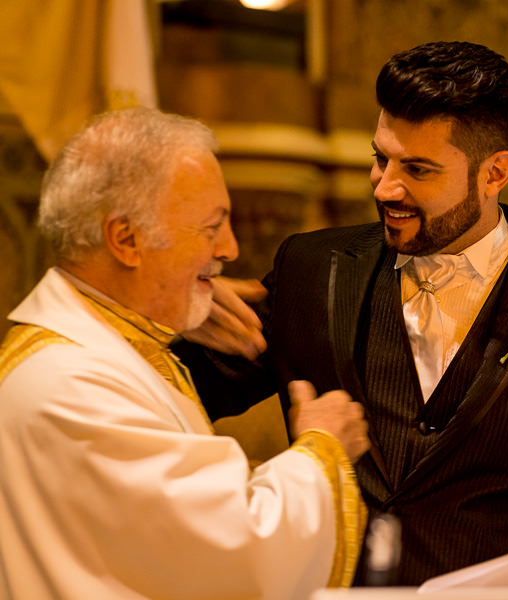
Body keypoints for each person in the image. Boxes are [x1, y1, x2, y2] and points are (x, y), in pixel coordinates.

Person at [178, 41, 508, 585]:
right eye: (380, 158)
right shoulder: (311, 270)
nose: (385, 186)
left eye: (417, 169)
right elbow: (170, 396)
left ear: (495, 173)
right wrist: (171, 305)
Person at [0, 107, 370, 599]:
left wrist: (169, 305)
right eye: (212, 227)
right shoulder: (71, 384)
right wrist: (323, 449)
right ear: (127, 239)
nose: (230, 248)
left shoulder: (104, 347)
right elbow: (232, 549)